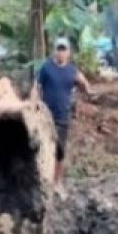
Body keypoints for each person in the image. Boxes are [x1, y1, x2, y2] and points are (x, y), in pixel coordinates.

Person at [33, 36, 91, 194]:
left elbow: (83, 82)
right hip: (45, 117)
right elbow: (37, 86)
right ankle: (41, 182)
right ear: (54, 51)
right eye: (58, 49)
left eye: (63, 49)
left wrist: (86, 90)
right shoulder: (46, 68)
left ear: (68, 53)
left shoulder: (72, 70)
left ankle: (57, 182)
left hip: (62, 116)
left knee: (60, 151)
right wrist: (35, 102)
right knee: (42, 149)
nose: (60, 52)